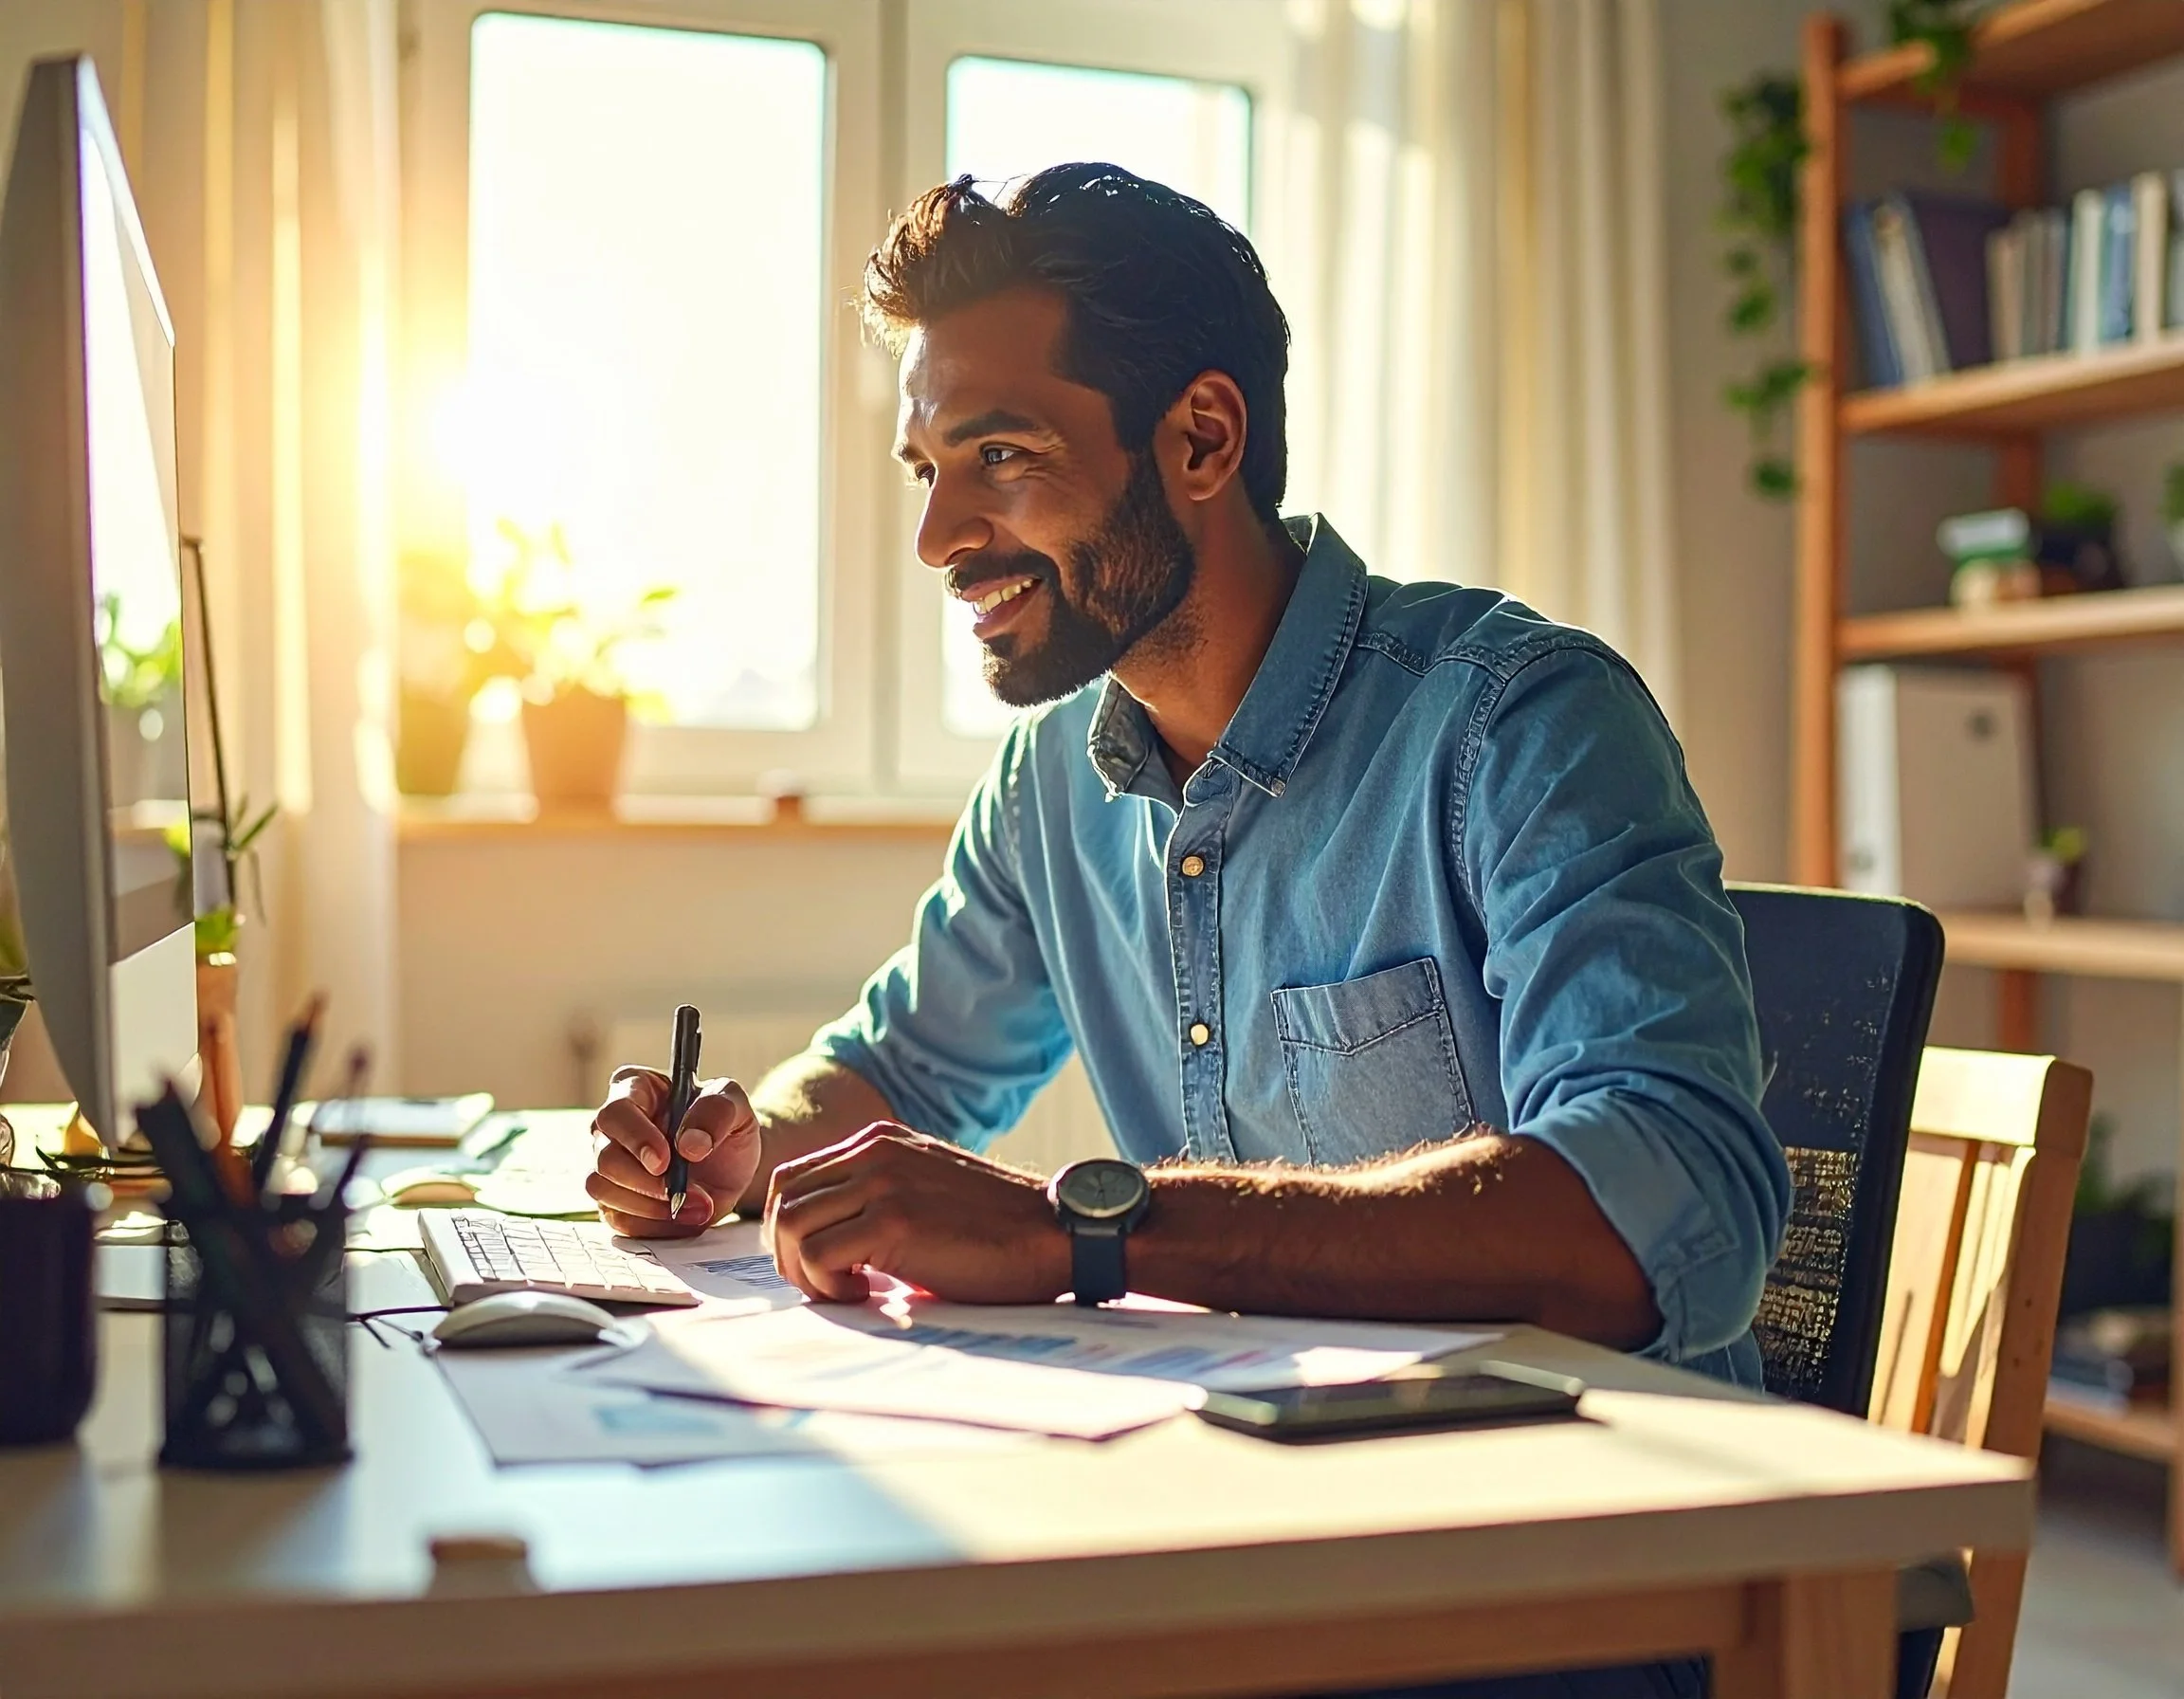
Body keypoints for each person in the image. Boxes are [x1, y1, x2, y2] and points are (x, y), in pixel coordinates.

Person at [589, 164, 1787, 1699]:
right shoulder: (1053, 776)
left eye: (1000, 458)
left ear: (1202, 439)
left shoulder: (1520, 721)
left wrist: (1083, 1231)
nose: (940, 537)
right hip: (1253, 1540)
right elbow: (903, 1066)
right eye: (925, 473)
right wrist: (741, 1150)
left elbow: (1672, 1198)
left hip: (1576, 1598)